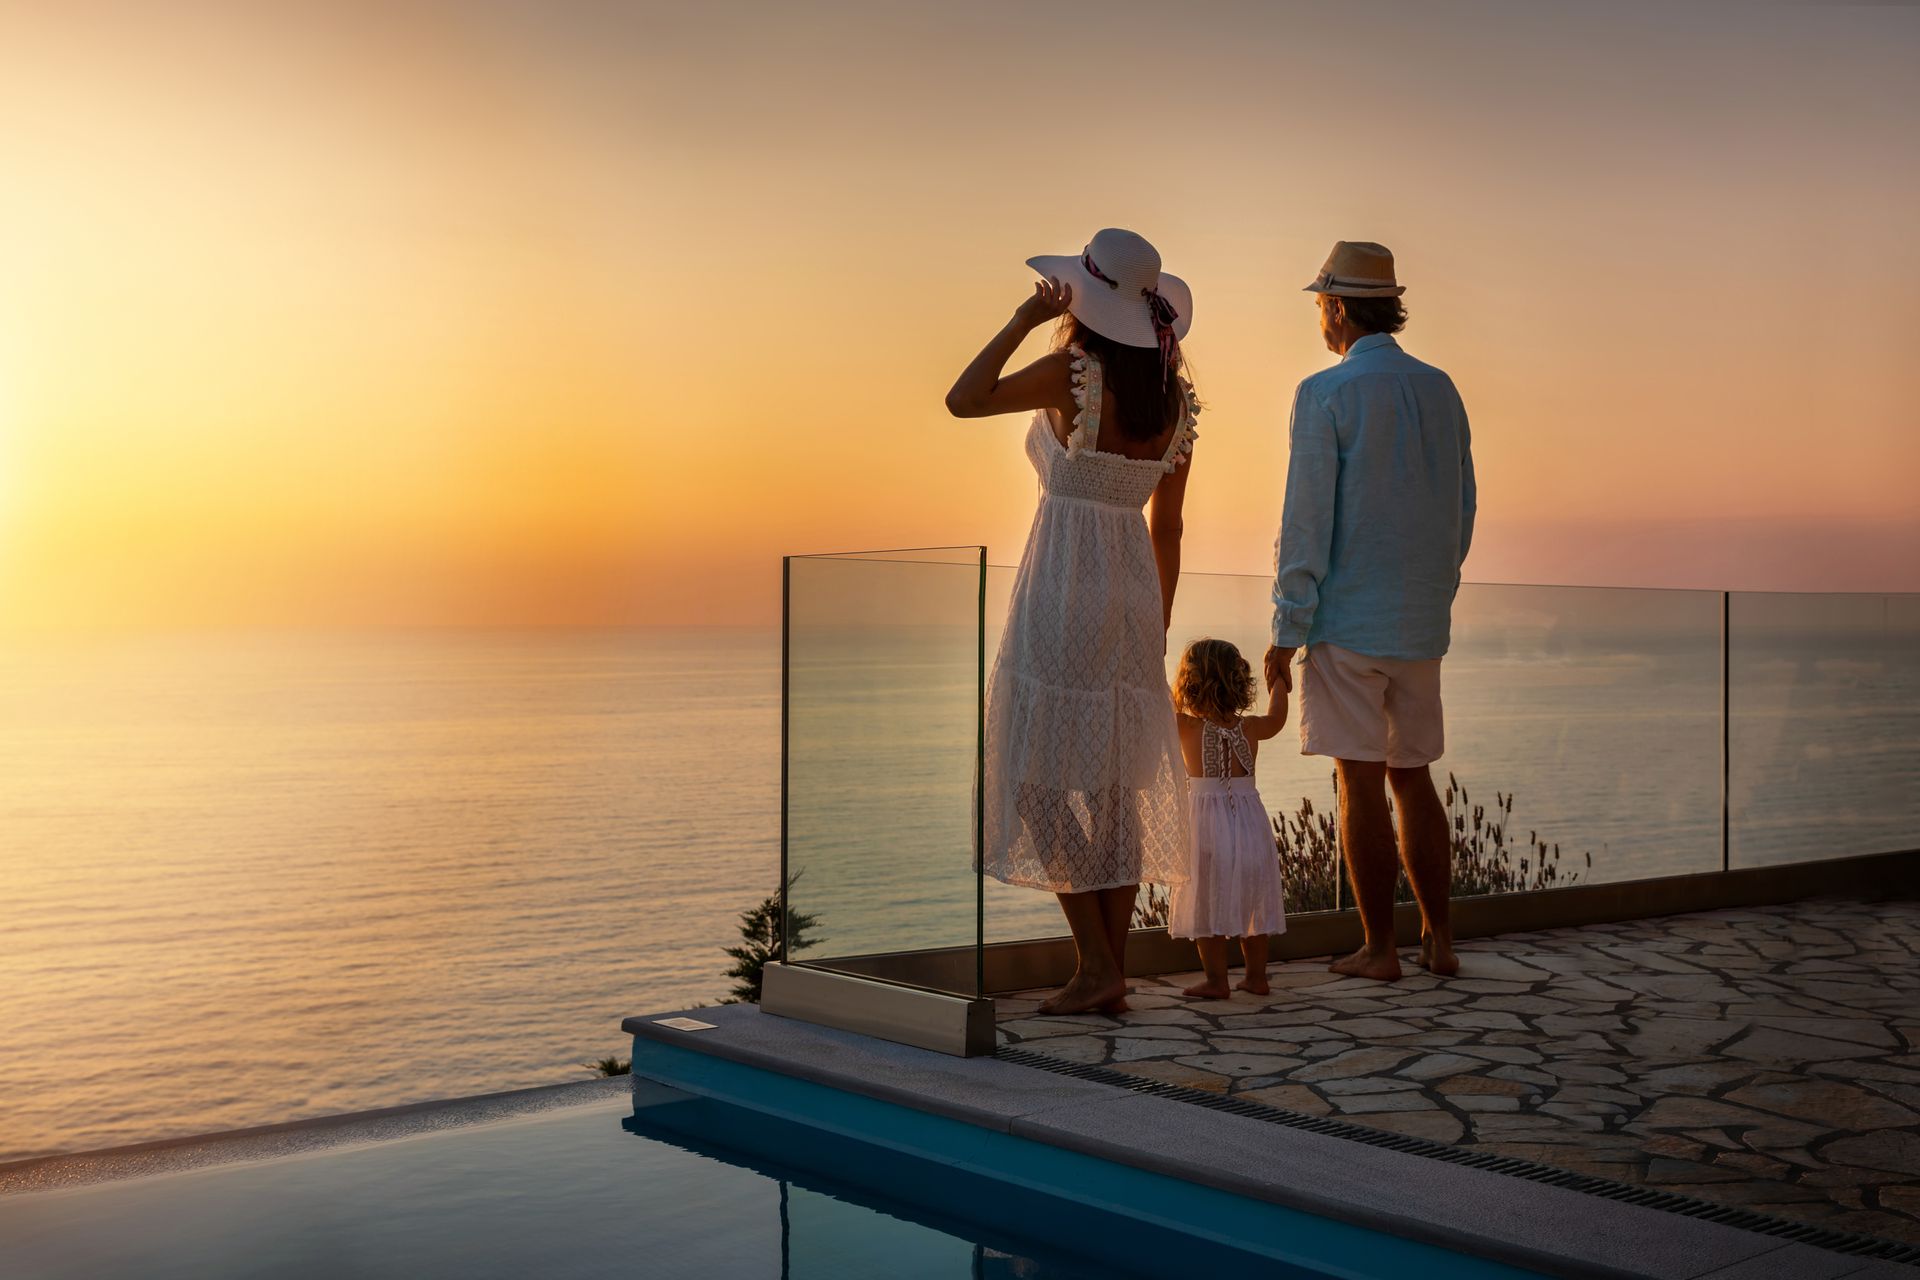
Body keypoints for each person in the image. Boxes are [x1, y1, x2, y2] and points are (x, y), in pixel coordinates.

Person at [946, 228, 1201, 1016]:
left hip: (1063, 585)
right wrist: (1157, 622)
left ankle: (1095, 961)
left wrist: (1025, 318)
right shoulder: (1176, 404)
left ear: (1081, 301)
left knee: (1034, 775)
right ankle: (1108, 969)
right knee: (1119, 782)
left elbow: (964, 399)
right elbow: (1170, 529)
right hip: (1134, 592)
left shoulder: (1073, 374)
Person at [1264, 241, 1476, 982]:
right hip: (1420, 623)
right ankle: (1441, 942)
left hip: (1348, 621)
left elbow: (1305, 522)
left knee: (1359, 782)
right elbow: (1464, 507)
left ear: (1341, 308)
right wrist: (1434, 590)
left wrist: (1287, 628)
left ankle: (1380, 949)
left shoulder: (1325, 393)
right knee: (1412, 777)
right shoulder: (1442, 389)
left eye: (1322, 304)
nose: (1320, 318)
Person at [1168, 638, 1289, 999]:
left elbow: (1156, 703)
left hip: (1206, 825)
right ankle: (1256, 977)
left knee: (1206, 900)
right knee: (1252, 896)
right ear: (1240, 683)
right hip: (1250, 823)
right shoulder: (1251, 728)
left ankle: (1216, 981)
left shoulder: (1186, 726)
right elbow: (1278, 718)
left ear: (1189, 684)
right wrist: (1278, 679)